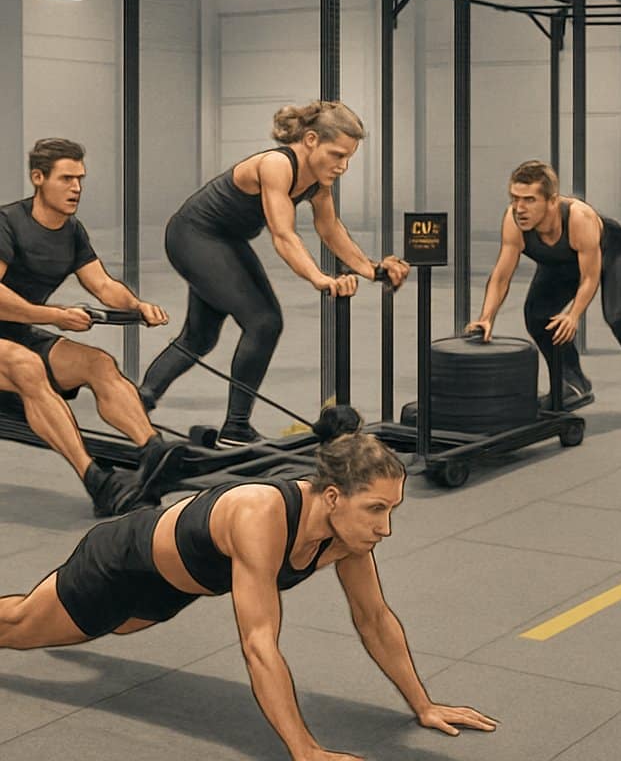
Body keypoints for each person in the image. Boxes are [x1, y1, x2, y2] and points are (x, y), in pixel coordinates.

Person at [0, 432, 498, 759]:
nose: (384, 527)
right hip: (121, 565)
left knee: (119, 625)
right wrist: (304, 749)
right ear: (331, 497)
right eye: (374, 509)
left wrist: (424, 705)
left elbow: (374, 618)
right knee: (19, 629)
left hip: (168, 592)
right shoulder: (261, 515)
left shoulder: (347, 535)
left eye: (391, 509)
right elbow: (259, 644)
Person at [139, 101, 410, 447]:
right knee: (263, 322)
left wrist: (373, 269)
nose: (343, 166)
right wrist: (319, 277)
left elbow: (331, 229)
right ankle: (235, 429)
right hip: (193, 236)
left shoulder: (316, 182)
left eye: (349, 158)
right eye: (337, 154)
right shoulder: (277, 165)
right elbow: (283, 235)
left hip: (225, 241)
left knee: (200, 337)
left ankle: (138, 401)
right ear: (310, 139)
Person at [0, 138, 182, 517]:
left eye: (80, 179)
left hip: (20, 333)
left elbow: (101, 284)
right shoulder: (8, 224)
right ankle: (97, 481)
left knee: (98, 362)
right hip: (12, 339)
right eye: (66, 178)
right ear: (38, 178)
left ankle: (153, 453)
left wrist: (136, 305)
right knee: (27, 366)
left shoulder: (71, 231)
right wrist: (55, 316)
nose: (76, 188)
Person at [466, 160, 621, 421]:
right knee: (537, 316)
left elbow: (589, 278)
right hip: (562, 264)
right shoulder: (513, 221)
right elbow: (501, 276)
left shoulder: (578, 218)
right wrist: (486, 317)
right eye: (515, 198)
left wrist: (573, 316)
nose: (520, 208)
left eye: (529, 200)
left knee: (618, 316)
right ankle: (573, 381)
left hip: (613, 254)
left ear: (552, 201)